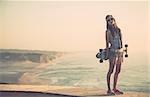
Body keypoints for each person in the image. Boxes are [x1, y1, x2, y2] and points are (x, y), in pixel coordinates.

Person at [105, 15, 124, 95]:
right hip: (112, 52)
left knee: (118, 70)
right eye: (108, 20)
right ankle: (109, 90)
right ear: (107, 23)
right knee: (111, 70)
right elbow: (107, 43)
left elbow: (121, 41)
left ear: (114, 20)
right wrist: (107, 54)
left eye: (111, 19)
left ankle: (115, 88)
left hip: (120, 52)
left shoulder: (118, 30)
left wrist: (122, 53)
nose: (110, 21)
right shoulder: (108, 32)